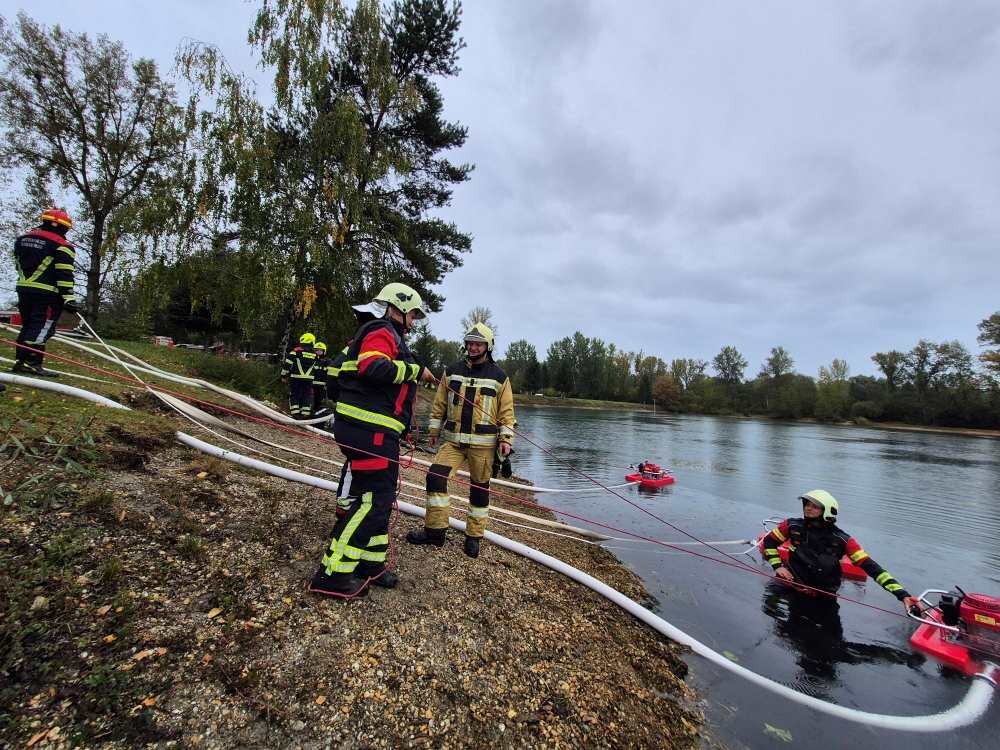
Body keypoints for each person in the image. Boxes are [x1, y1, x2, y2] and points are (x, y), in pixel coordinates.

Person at [309, 283, 435, 598]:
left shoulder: (385, 334)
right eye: (413, 315)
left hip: (371, 431)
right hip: (370, 432)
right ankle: (332, 573)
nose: (414, 321)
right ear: (400, 309)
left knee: (380, 498)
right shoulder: (381, 330)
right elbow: (373, 367)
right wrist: (414, 371)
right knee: (373, 501)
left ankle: (370, 564)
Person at [407, 322, 515, 559]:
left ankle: (473, 537)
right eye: (470, 343)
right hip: (453, 443)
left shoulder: (499, 377)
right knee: (435, 477)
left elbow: (507, 413)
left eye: (478, 344)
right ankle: (435, 532)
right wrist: (434, 432)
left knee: (479, 490)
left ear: (488, 346)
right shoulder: (452, 370)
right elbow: (439, 404)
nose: (473, 347)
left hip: (484, 446)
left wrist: (506, 439)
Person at [761, 490, 921, 614]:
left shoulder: (843, 540)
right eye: (806, 504)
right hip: (789, 585)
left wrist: (903, 595)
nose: (808, 508)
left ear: (827, 511)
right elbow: (769, 541)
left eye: (814, 506)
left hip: (823, 597)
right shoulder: (791, 526)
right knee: (769, 611)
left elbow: (872, 568)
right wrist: (778, 567)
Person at [11, 208, 80, 377]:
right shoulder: (63, 246)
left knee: (28, 325)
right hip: (48, 294)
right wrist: (68, 297)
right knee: (42, 328)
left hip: (24, 289)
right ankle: (32, 363)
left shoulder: (22, 240)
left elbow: (19, 264)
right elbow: (64, 273)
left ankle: (21, 361)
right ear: (65, 228)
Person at [280, 333, 317, 420]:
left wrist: (283, 376)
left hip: (296, 378)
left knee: (294, 395)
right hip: (309, 379)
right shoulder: (315, 355)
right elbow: (315, 369)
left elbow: (287, 365)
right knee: (306, 395)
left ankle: (295, 414)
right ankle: (305, 414)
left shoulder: (295, 352)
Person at [311, 341, 330, 417]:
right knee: (310, 402)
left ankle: (317, 419)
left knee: (320, 404)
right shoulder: (312, 360)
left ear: (324, 351)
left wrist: (327, 385)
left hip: (322, 387)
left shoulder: (328, 361)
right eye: (316, 350)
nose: (318, 352)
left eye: (320, 350)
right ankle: (308, 417)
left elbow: (330, 374)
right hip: (311, 385)